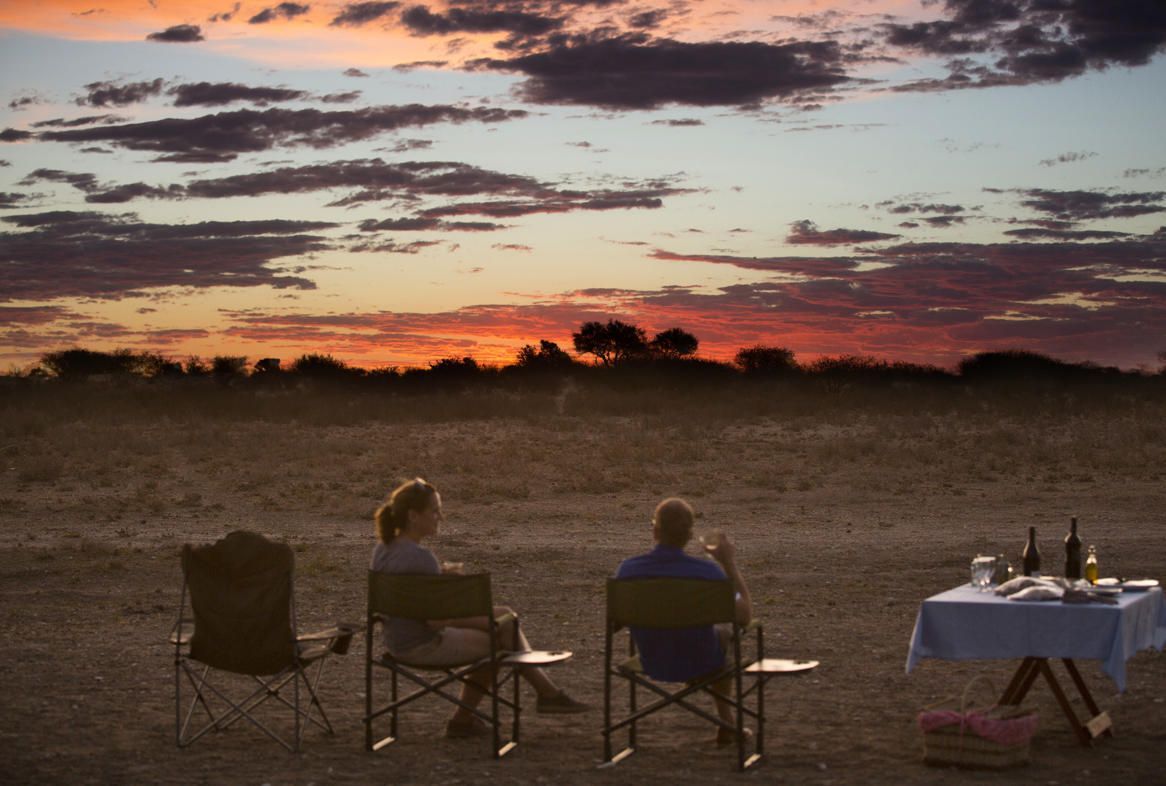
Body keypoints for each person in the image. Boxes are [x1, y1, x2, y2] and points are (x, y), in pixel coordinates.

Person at [371, 478, 588, 738]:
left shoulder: (383, 549)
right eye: (435, 511)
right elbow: (435, 622)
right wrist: (482, 620)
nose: (441, 516)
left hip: (395, 639)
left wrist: (439, 579)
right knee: (501, 637)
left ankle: (543, 694)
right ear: (413, 516)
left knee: (505, 616)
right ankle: (532, 698)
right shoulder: (421, 558)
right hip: (423, 644)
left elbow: (410, 593)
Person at [614, 497, 754, 746]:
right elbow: (744, 616)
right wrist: (728, 562)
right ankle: (727, 722)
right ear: (690, 535)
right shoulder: (707, 573)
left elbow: (615, 622)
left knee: (710, 634)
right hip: (703, 659)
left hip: (653, 660)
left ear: (654, 531)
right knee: (723, 633)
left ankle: (728, 725)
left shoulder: (629, 570)